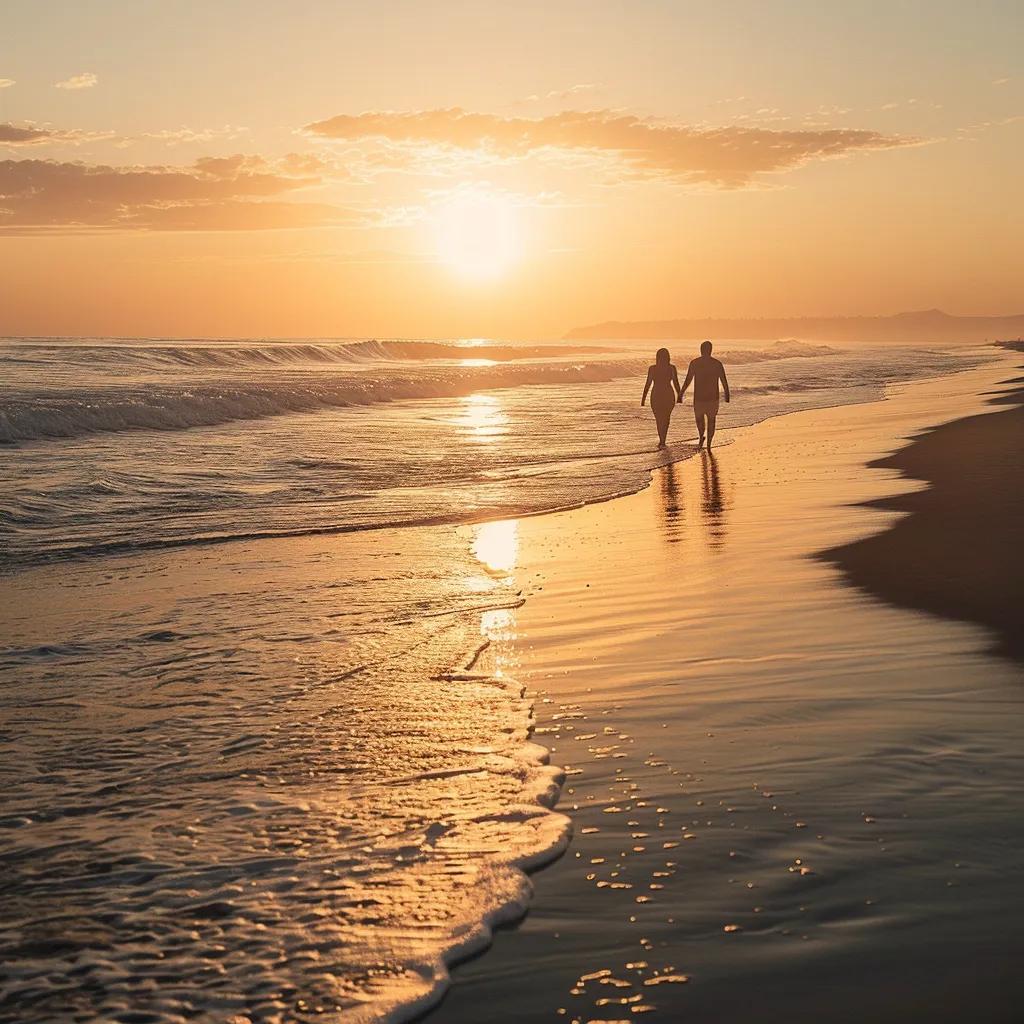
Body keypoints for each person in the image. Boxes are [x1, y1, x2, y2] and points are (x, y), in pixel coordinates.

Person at [679, 340, 730, 450]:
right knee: (711, 420)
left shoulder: (695, 363)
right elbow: (724, 381)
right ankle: (708, 443)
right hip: (712, 398)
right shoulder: (716, 364)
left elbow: (688, 380)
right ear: (710, 350)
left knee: (699, 420)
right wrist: (727, 394)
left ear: (701, 350)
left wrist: (681, 393)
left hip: (700, 398)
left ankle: (702, 436)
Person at [640, 347, 682, 449]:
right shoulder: (671, 368)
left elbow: (648, 384)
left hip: (656, 395)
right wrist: (679, 396)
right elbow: (676, 383)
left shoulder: (653, 369)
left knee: (659, 419)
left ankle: (661, 440)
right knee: (666, 418)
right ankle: (663, 440)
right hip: (668, 394)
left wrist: (643, 399)